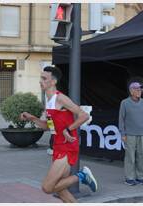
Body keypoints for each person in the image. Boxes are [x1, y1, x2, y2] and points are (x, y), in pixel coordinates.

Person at [20, 66, 98, 203]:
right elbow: (49, 127)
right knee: (61, 190)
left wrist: (69, 129)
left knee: (47, 187)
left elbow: (84, 115)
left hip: (67, 146)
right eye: (41, 78)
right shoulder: (49, 102)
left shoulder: (60, 98)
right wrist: (32, 118)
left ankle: (82, 175)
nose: (40, 81)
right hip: (58, 145)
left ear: (53, 82)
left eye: (44, 78)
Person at [119, 79, 143, 186]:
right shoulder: (124, 103)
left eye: (140, 89)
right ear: (131, 91)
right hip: (129, 134)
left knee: (141, 156)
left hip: (142, 133)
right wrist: (122, 134)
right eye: (137, 89)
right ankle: (129, 178)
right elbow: (121, 119)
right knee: (130, 156)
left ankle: (140, 177)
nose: (139, 91)